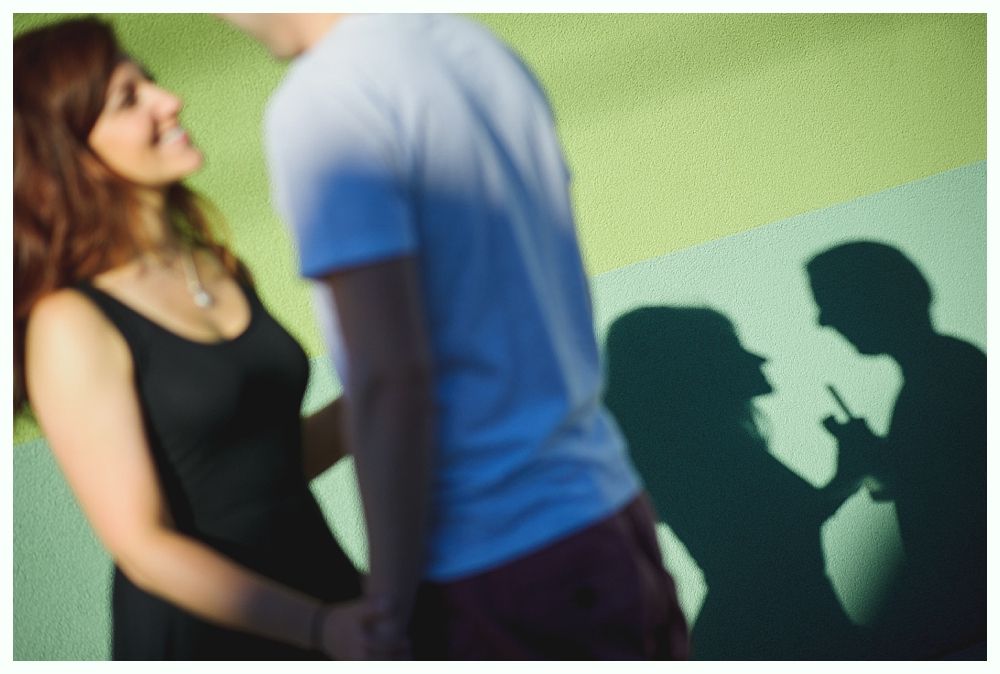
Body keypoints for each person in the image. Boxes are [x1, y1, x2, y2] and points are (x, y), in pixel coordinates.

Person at [220, 13, 690, 659]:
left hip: (498, 561)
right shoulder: (475, 48)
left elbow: (391, 376)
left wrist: (388, 605)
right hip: (608, 512)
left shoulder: (322, 100)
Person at [13, 17, 385, 660]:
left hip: (323, 596)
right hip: (211, 636)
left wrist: (387, 396)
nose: (170, 101)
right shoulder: (69, 322)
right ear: (67, 153)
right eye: (131, 99)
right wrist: (318, 628)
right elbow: (144, 548)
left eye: (151, 83)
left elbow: (259, 470)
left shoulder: (218, 269)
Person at [603, 306, 868, 659]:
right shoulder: (705, 452)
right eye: (730, 347)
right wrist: (851, 470)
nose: (759, 358)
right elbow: (782, 537)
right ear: (695, 368)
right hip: (775, 632)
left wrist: (849, 473)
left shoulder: (695, 450)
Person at [807, 241, 986, 658]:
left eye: (832, 301)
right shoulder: (947, 368)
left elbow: (954, 507)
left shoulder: (945, 375)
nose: (823, 320)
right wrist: (884, 461)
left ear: (879, 297)